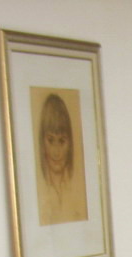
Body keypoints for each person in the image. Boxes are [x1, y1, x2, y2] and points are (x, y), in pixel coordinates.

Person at [35, 91, 87, 225]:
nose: (56, 152)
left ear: (70, 143)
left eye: (62, 141)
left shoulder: (79, 192)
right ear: (42, 142)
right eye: (50, 140)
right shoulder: (38, 191)